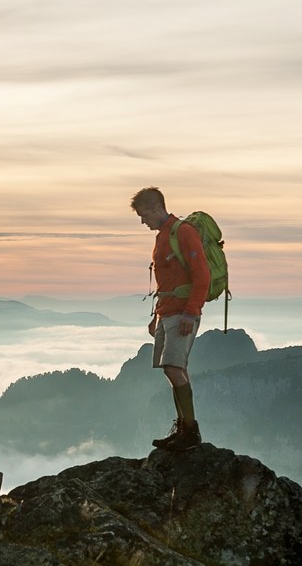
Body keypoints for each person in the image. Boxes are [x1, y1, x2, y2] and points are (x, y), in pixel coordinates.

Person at [131, 186, 211, 451]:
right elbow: (167, 280)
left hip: (182, 312)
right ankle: (183, 429)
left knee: (173, 368)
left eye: (144, 215)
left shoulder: (183, 232)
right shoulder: (162, 237)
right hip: (167, 312)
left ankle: (190, 433)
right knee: (174, 370)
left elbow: (202, 275)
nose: (143, 221)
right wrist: (156, 317)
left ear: (155, 208)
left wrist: (191, 311)